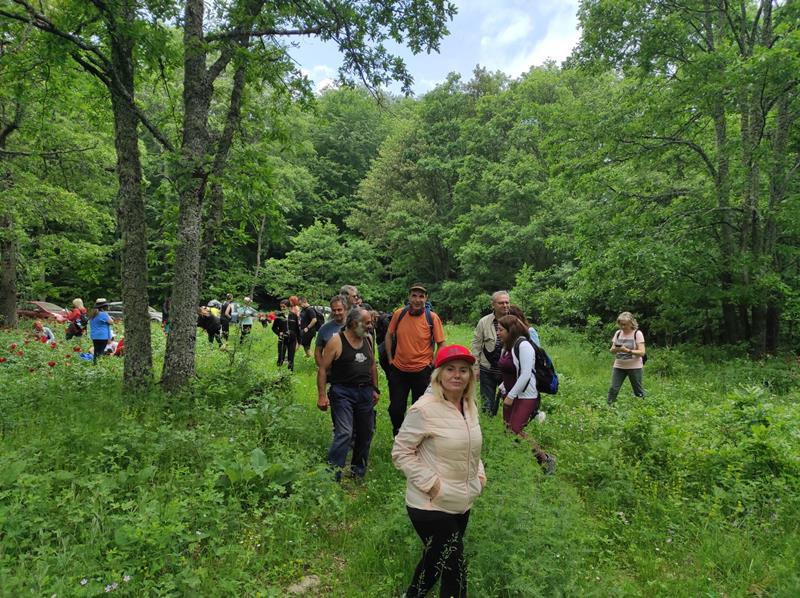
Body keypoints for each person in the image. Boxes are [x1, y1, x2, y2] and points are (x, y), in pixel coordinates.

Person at [392, 344, 486, 598]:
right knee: (455, 567)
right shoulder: (424, 409)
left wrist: (479, 474)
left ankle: (412, 595)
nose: (457, 375)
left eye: (464, 370)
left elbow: (471, 446)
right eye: (450, 369)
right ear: (439, 375)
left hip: (462, 500)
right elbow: (400, 452)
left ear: (471, 375)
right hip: (429, 504)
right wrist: (433, 484)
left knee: (437, 561)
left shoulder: (469, 405)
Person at [316, 307, 379, 480]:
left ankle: (358, 472)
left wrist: (375, 388)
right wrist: (322, 395)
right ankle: (332, 475)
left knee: (366, 432)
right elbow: (322, 369)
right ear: (353, 323)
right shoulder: (336, 341)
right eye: (367, 322)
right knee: (344, 432)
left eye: (370, 322)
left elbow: (372, 365)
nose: (370, 325)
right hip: (342, 392)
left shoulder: (368, 339)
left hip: (365, 392)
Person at [497, 315, 556, 474]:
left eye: (501, 329)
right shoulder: (506, 346)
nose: (498, 332)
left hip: (525, 396)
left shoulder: (524, 345)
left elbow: (525, 374)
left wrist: (511, 396)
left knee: (514, 429)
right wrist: (503, 387)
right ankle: (514, 462)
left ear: (511, 330)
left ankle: (546, 459)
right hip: (509, 393)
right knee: (508, 429)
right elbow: (508, 370)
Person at [385, 283, 446, 436]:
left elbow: (442, 344)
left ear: (426, 299)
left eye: (421, 296)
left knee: (420, 409)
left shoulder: (432, 318)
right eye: (414, 295)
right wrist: (390, 358)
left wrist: (433, 364)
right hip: (399, 370)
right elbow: (388, 335)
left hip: (422, 371)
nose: (417, 299)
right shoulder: (399, 314)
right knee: (396, 408)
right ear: (409, 297)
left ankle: (415, 437)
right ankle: (398, 433)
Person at [471, 290, 511, 415]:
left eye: (507, 302)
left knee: (510, 401)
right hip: (487, 369)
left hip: (508, 370)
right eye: (501, 303)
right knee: (487, 403)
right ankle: (489, 424)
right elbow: (476, 345)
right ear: (493, 304)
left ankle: (510, 427)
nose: (505, 305)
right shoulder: (484, 322)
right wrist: (475, 367)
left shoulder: (515, 320)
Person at [607, 311, 646, 405]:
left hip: (634, 367)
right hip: (619, 366)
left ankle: (643, 407)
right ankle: (608, 407)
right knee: (613, 388)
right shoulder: (618, 333)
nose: (623, 327)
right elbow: (611, 350)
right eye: (621, 324)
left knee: (638, 390)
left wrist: (627, 350)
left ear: (631, 323)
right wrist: (616, 349)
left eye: (625, 324)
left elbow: (642, 352)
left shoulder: (637, 334)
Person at [314, 296, 347, 368]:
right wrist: (323, 368)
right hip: (331, 373)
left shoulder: (353, 327)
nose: (336, 313)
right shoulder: (324, 329)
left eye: (339, 310)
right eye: (334, 310)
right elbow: (317, 352)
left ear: (345, 309)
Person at [272, 299, 299, 370]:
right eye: (281, 307)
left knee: (291, 358)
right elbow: (274, 328)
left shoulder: (294, 316)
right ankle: (278, 374)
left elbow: (297, 329)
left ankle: (289, 375)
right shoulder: (279, 316)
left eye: (284, 307)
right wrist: (279, 333)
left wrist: (299, 341)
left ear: (288, 307)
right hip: (282, 339)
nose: (282, 308)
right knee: (281, 357)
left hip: (292, 340)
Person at [89, 298, 114, 363]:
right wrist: (106, 314)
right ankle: (98, 366)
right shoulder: (103, 314)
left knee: (96, 351)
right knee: (100, 352)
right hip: (102, 336)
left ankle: (95, 364)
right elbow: (111, 322)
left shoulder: (93, 314)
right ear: (104, 306)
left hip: (94, 336)